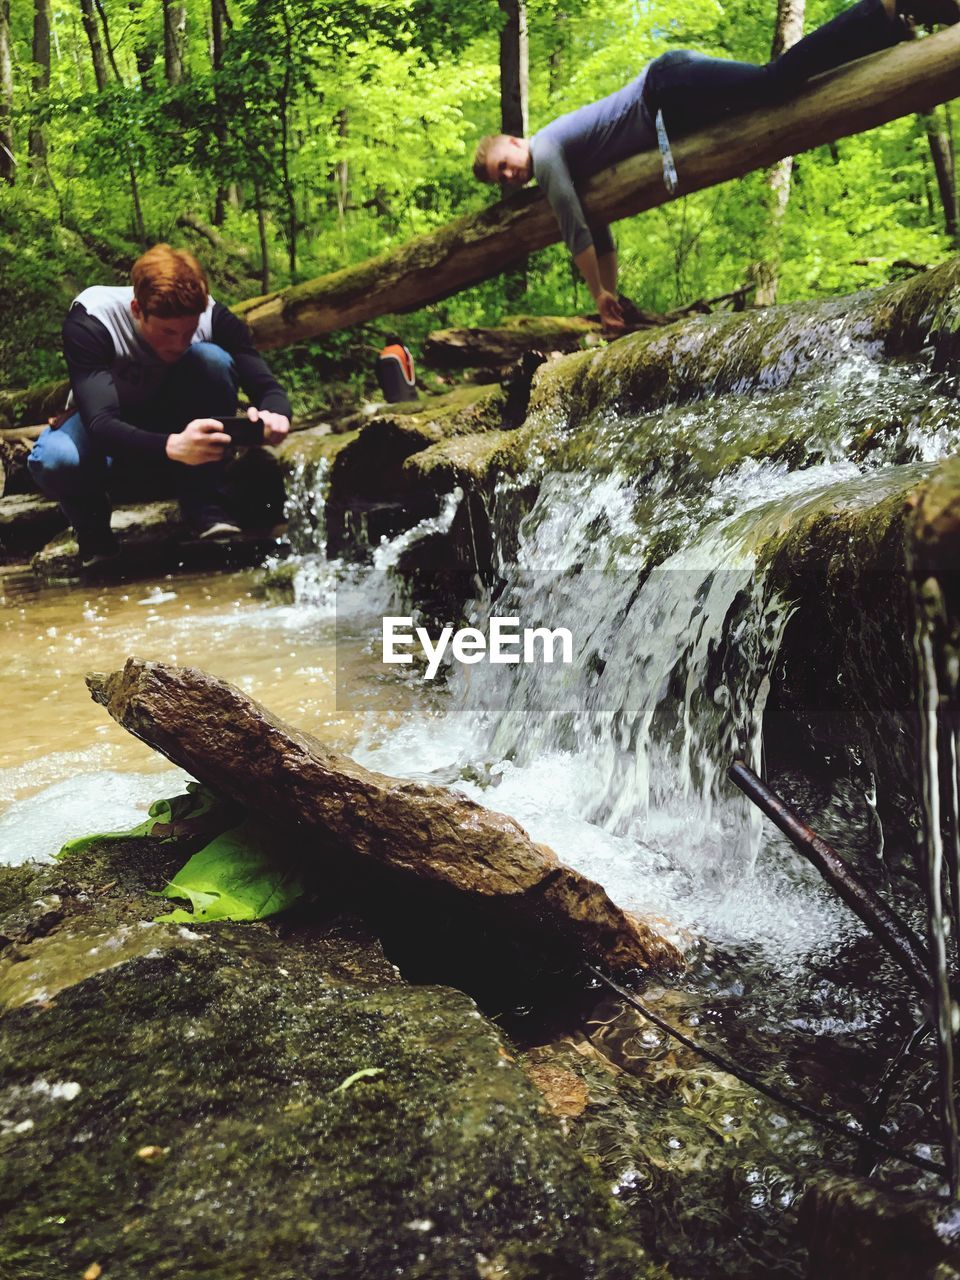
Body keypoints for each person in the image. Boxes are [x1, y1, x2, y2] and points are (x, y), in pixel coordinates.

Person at [473, 0, 959, 333]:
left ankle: (885, 8)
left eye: (505, 164)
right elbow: (600, 228)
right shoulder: (568, 162)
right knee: (775, 97)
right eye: (504, 178)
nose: (512, 175)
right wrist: (612, 301)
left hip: (666, 87)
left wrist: (598, 293)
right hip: (673, 106)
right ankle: (892, 25)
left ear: (516, 142)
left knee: (774, 83)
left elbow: (574, 227)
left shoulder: (550, 149)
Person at [28, 243, 292, 567]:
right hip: (111, 428)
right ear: (137, 310)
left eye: (188, 331)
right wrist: (172, 445)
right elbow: (100, 421)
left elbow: (267, 386)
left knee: (212, 359)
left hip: (177, 423)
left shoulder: (214, 315)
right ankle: (94, 534)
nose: (179, 343)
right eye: (167, 331)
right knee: (56, 459)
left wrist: (275, 416)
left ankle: (205, 508)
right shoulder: (93, 318)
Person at [376, 334, 418, 402]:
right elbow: (410, 369)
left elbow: (378, 375)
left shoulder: (383, 353)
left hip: (390, 396)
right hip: (406, 394)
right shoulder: (403, 350)